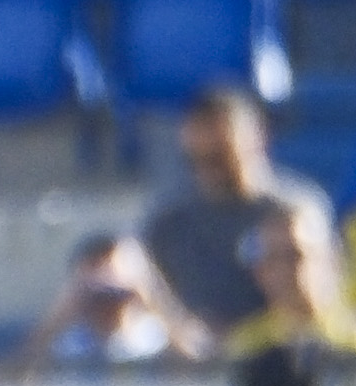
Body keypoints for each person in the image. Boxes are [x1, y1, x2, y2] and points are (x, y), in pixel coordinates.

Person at [139, 84, 331, 337]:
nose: (210, 168)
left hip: (280, 355)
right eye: (200, 158)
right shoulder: (169, 221)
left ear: (255, 139)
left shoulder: (293, 214)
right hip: (194, 364)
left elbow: (323, 299)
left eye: (220, 155)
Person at [220, 200, 353, 386]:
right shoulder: (248, 346)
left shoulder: (349, 341)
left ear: (330, 260)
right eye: (273, 259)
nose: (286, 271)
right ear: (259, 271)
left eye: (296, 255)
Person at [20, 232, 204, 367]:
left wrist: (152, 293)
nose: (109, 309)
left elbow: (200, 360)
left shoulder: (156, 338)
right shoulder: (68, 346)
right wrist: (61, 314)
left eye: (118, 296)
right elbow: (22, 369)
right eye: (99, 298)